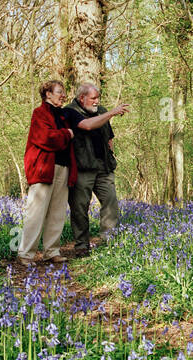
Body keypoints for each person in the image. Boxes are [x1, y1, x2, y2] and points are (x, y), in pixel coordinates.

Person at [60, 82, 129, 256]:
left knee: (110, 202)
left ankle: (109, 241)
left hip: (104, 167)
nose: (97, 101)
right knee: (80, 207)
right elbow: (87, 125)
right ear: (82, 98)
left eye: (98, 97)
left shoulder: (102, 110)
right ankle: (82, 245)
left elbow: (109, 136)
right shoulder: (70, 111)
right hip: (82, 168)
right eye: (93, 98)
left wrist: (110, 151)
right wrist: (112, 112)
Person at [19, 80, 77, 265]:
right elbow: (46, 138)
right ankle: (26, 254)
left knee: (57, 212)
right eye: (59, 92)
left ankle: (52, 251)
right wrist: (67, 134)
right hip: (44, 169)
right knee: (36, 212)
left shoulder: (63, 116)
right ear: (48, 94)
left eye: (63, 92)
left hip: (63, 167)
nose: (63, 95)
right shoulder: (40, 113)